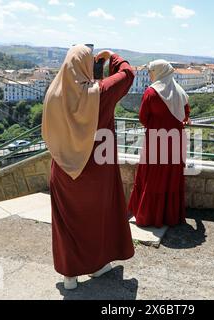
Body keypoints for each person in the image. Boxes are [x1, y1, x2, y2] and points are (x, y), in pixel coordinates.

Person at [42, 45, 135, 290]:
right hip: (95, 170)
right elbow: (128, 74)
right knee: (96, 220)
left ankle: (69, 276)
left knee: (67, 223)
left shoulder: (54, 92)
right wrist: (111, 57)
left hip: (63, 168)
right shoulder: (100, 93)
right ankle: (96, 265)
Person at [128, 59, 190, 229]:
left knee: (152, 177)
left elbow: (143, 118)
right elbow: (185, 115)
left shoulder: (151, 93)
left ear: (158, 72)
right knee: (170, 177)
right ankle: (168, 216)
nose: (149, 75)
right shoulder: (181, 92)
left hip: (156, 142)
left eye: (151, 71)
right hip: (175, 143)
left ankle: (148, 215)